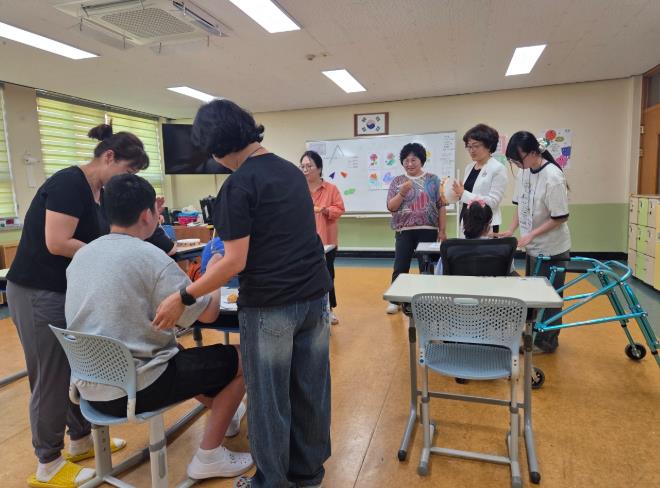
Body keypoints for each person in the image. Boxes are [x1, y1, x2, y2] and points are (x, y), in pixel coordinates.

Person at [152, 99, 332, 488]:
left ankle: (271, 482)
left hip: (271, 305)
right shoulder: (290, 171)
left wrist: (183, 296)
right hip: (314, 296)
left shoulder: (237, 186)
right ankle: (308, 473)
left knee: (268, 399)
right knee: (310, 388)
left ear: (216, 147)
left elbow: (234, 261)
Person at [65, 174, 253, 480]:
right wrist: (215, 271)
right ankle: (209, 455)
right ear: (146, 215)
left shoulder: (82, 255)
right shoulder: (151, 258)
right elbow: (208, 314)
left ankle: (225, 411)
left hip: (87, 384)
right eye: (157, 210)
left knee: (175, 349)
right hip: (136, 388)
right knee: (245, 358)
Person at [6, 124, 150, 488]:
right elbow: (57, 242)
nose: (128, 179)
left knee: (76, 367)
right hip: (37, 291)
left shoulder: (98, 192)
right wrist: (105, 255)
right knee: (50, 375)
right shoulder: (69, 184)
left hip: (64, 291)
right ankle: (48, 462)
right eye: (128, 170)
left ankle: (81, 440)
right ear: (108, 157)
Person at [498, 131, 571, 353]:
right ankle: (536, 332)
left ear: (533, 153)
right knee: (534, 292)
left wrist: (532, 234)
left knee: (550, 296)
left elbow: (560, 217)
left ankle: (547, 341)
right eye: (512, 161)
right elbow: (520, 205)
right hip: (532, 248)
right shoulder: (524, 172)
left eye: (518, 159)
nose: (516, 165)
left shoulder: (553, 177)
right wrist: (511, 229)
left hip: (552, 248)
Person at [385, 142, 447, 314]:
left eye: (414, 160)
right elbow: (391, 207)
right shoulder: (398, 181)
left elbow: (441, 206)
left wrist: (442, 231)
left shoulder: (433, 180)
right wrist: (402, 192)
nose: (409, 164)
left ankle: (428, 300)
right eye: (406, 160)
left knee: (427, 266)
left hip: (428, 229)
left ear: (421, 161)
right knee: (400, 266)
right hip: (404, 230)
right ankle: (395, 300)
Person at [300, 150, 345, 325]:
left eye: (309, 166)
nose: (305, 170)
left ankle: (329, 309)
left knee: (327, 275)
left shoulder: (331, 189)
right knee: (304, 276)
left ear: (319, 168)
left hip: (327, 242)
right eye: (303, 166)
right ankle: (306, 312)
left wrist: (325, 210)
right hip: (303, 242)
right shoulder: (298, 188)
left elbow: (339, 209)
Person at [452, 124, 508, 234]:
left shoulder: (498, 168)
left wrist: (463, 194)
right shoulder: (469, 167)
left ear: (489, 146)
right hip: (467, 221)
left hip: (486, 224)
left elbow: (492, 202)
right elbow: (467, 195)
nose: (472, 150)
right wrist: (456, 194)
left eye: (476, 146)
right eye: (469, 146)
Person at [434, 200, 515, 275]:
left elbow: (439, 275)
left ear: (464, 224)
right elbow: (510, 274)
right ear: (489, 224)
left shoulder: (451, 250)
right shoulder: (503, 249)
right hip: (491, 286)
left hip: (459, 286)